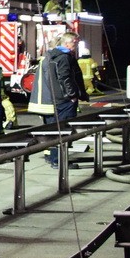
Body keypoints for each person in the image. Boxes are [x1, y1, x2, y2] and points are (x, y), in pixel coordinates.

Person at [33, 32, 88, 168]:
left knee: (56, 131)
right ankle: (59, 161)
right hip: (64, 101)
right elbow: (65, 78)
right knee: (64, 131)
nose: (75, 45)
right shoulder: (63, 58)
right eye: (74, 42)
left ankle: (54, 158)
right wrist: (72, 95)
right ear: (68, 43)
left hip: (55, 99)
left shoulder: (52, 56)